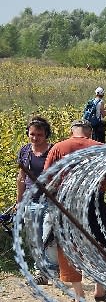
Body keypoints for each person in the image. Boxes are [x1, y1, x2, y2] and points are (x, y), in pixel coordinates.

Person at [42, 120, 106, 302]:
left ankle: (79, 294)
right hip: (94, 202)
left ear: (71, 131)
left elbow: (47, 177)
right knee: (100, 244)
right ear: (89, 132)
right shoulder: (100, 148)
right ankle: (100, 289)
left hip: (67, 203)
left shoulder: (58, 148)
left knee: (69, 246)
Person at [16, 117, 55, 283]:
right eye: (32, 134)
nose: (35, 137)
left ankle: (53, 270)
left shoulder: (53, 151)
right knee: (35, 238)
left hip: (51, 200)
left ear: (46, 134)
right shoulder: (25, 151)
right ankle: (41, 272)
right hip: (31, 201)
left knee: (50, 237)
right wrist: (19, 202)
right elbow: (21, 178)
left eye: (39, 134)